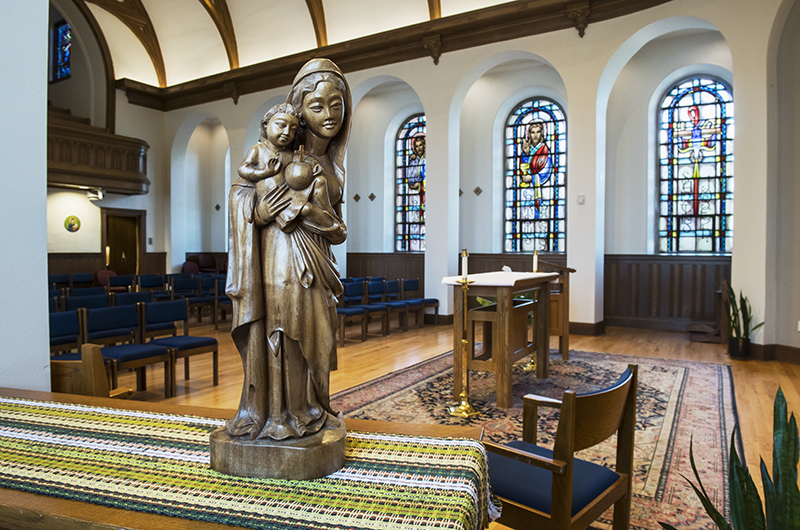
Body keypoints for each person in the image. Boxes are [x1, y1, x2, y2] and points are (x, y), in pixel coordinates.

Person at [226, 58, 350, 441]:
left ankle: (311, 407)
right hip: (279, 257)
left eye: (336, 104)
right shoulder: (278, 155)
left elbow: (337, 229)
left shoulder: (333, 165)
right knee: (285, 331)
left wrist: (310, 211)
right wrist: (259, 210)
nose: (329, 114)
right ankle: (279, 415)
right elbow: (242, 195)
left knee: (319, 337)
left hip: (317, 260)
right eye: (316, 105)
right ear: (299, 108)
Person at [520, 121, 552, 218]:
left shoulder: (545, 150)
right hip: (528, 191)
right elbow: (524, 167)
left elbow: (547, 170)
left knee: (542, 215)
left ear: (542, 133)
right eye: (533, 132)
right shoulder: (527, 150)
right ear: (529, 134)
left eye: (538, 132)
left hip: (543, 188)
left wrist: (533, 178)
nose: (535, 135)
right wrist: (526, 154)